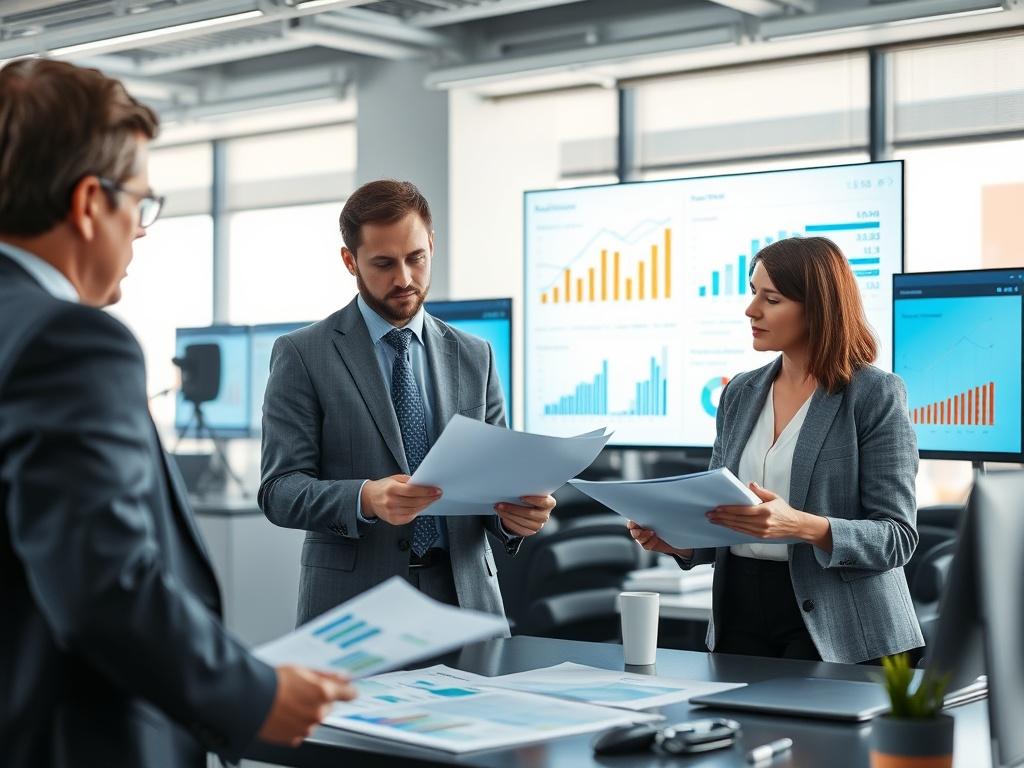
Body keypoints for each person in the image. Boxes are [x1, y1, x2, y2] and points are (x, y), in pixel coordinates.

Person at [0, 59, 355, 768]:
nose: (142, 229)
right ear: (88, 203)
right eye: (140, 201)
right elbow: (102, 584)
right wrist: (251, 695)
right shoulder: (69, 340)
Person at [259, 179, 555, 625]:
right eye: (383, 263)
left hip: (464, 599)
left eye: (416, 258)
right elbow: (279, 490)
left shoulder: (476, 355)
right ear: (349, 260)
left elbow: (494, 484)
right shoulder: (303, 353)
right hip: (353, 604)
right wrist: (365, 497)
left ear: (432, 244)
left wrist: (516, 517)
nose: (403, 279)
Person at [629, 236, 924, 664]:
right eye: (753, 294)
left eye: (772, 299)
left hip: (841, 625)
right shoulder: (740, 392)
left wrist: (802, 526)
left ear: (817, 307)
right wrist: (678, 542)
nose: (752, 311)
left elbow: (897, 538)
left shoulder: (873, 394)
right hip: (740, 612)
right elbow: (721, 524)